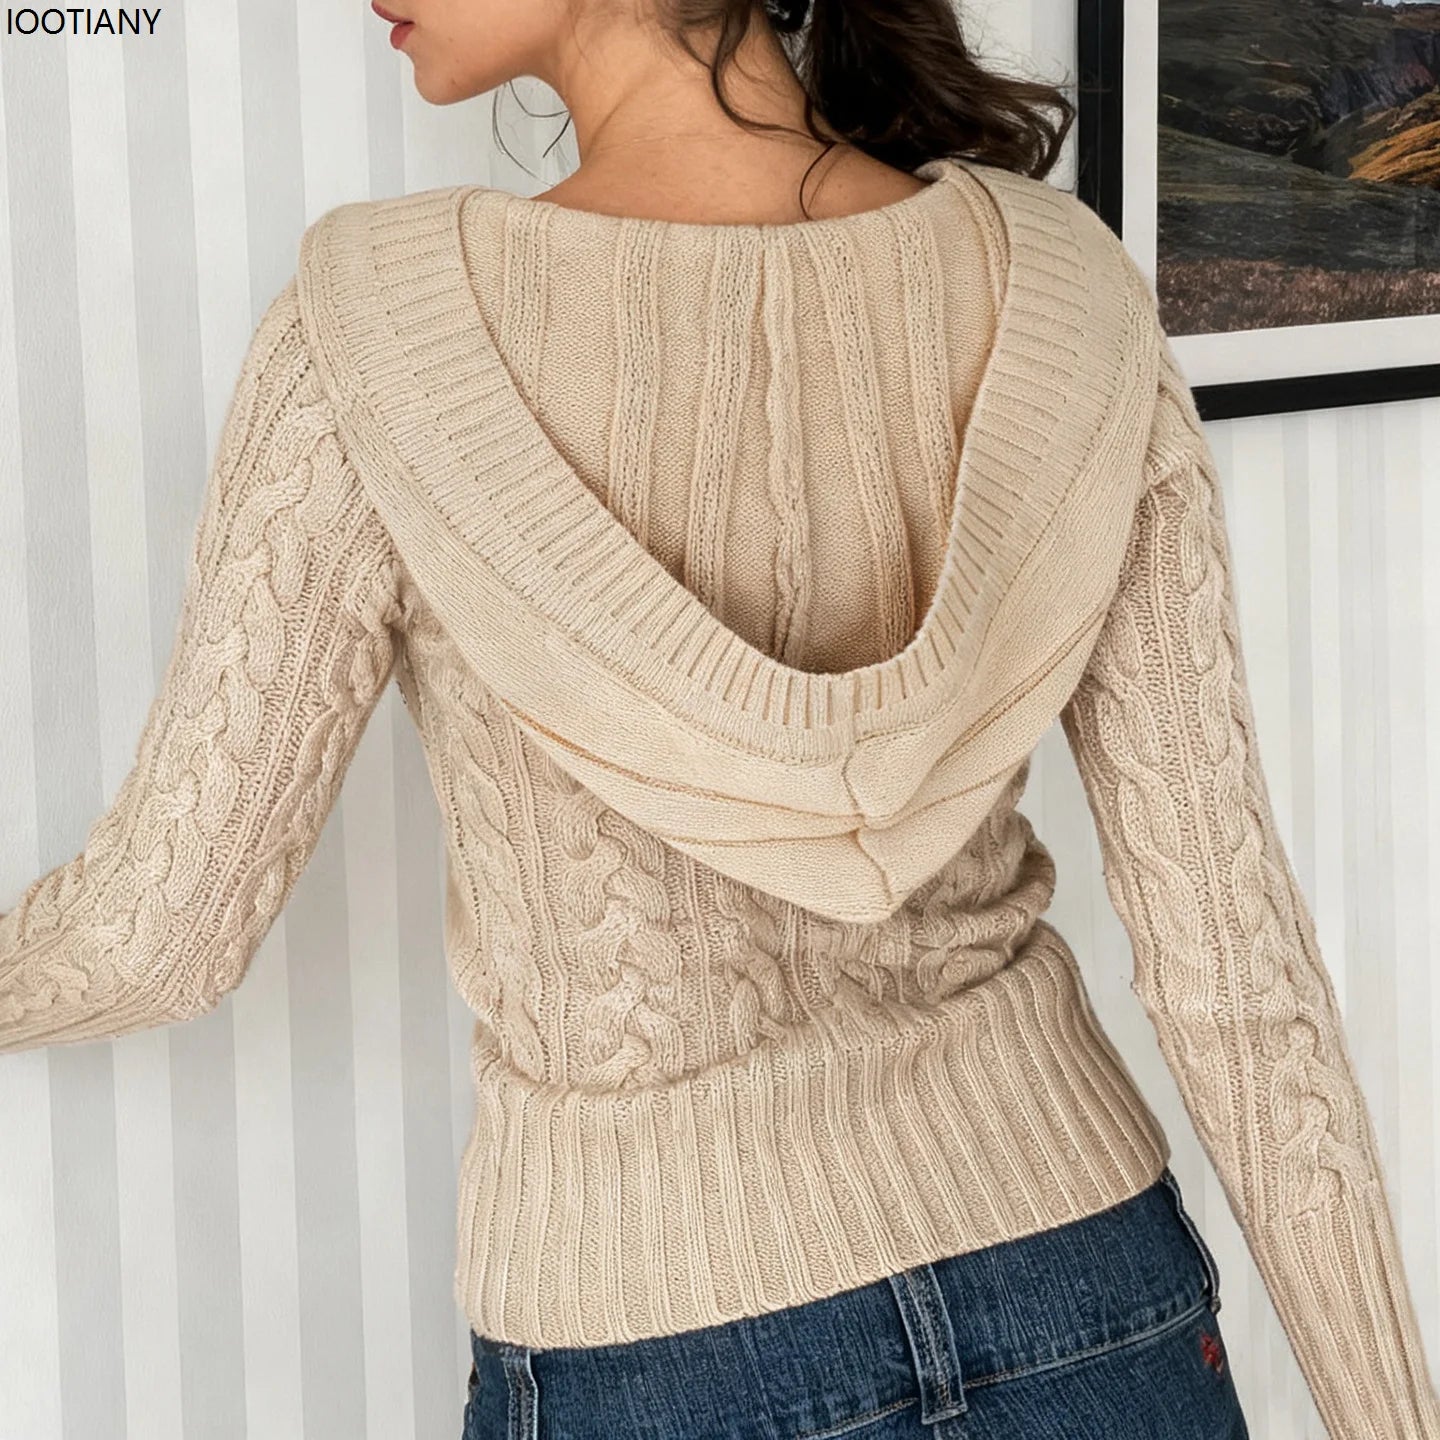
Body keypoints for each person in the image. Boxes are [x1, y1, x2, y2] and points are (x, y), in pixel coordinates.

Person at [2, 0, 1437, 1435]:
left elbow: (160, 937)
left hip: (657, 1334)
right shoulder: (1063, 291)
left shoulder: (371, 338)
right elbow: (1233, 964)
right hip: (1084, 1282)